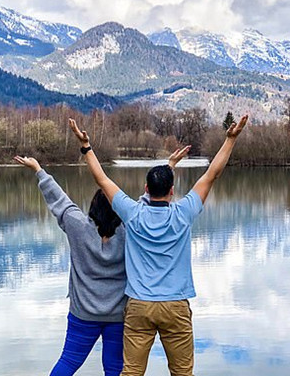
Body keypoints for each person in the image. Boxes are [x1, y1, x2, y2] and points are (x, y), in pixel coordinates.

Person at [68, 114, 248, 376]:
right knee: (182, 372)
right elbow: (212, 174)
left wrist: (86, 146)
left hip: (139, 305)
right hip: (175, 305)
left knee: (131, 372)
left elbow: (102, 179)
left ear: (145, 189)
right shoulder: (183, 212)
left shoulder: (133, 212)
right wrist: (231, 139)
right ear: (172, 191)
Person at [14, 147, 190, 376]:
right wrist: (169, 167)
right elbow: (145, 205)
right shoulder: (131, 228)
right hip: (118, 314)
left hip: (82, 313)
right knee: (115, 368)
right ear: (121, 211)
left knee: (68, 362)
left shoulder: (76, 225)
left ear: (92, 206)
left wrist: (38, 170)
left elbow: (57, 199)